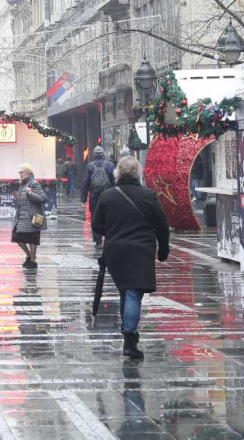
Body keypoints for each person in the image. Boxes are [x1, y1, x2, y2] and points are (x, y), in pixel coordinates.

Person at [91, 156, 170, 360]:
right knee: (134, 294)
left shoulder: (107, 196)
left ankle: (128, 332)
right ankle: (129, 337)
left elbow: (97, 226)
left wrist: (114, 229)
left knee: (126, 291)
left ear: (117, 173)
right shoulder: (148, 195)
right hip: (141, 250)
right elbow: (162, 224)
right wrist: (163, 248)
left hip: (115, 251)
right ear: (138, 173)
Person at [11, 164, 47, 270]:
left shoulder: (34, 183)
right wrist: (17, 197)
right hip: (21, 217)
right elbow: (23, 201)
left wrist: (31, 194)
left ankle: (32, 261)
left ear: (27, 173)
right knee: (17, 238)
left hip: (32, 217)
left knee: (32, 239)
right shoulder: (22, 184)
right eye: (19, 173)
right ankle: (29, 255)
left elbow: (43, 198)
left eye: (21, 172)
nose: (20, 174)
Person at [82, 145, 115, 247]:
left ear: (93, 155)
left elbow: (85, 182)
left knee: (95, 217)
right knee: (109, 216)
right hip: (108, 195)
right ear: (103, 154)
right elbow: (114, 180)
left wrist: (83, 198)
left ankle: (98, 241)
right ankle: (109, 238)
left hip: (94, 196)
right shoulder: (110, 165)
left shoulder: (90, 166)